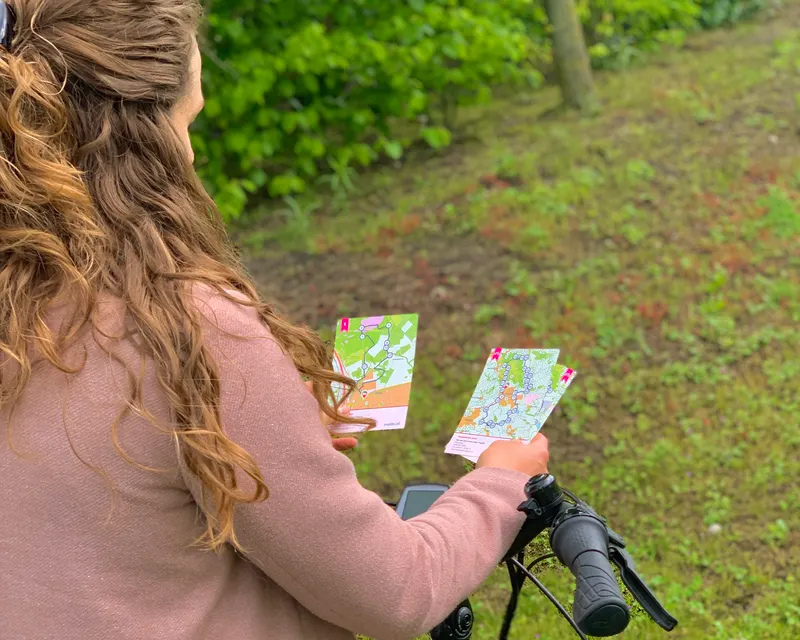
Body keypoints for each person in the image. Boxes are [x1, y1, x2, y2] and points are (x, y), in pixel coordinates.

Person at [0, 2, 551, 639]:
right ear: (146, 138)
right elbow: (396, 592)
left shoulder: (23, 305)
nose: (193, 155)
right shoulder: (187, 330)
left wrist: (248, 434)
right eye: (189, 122)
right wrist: (503, 479)